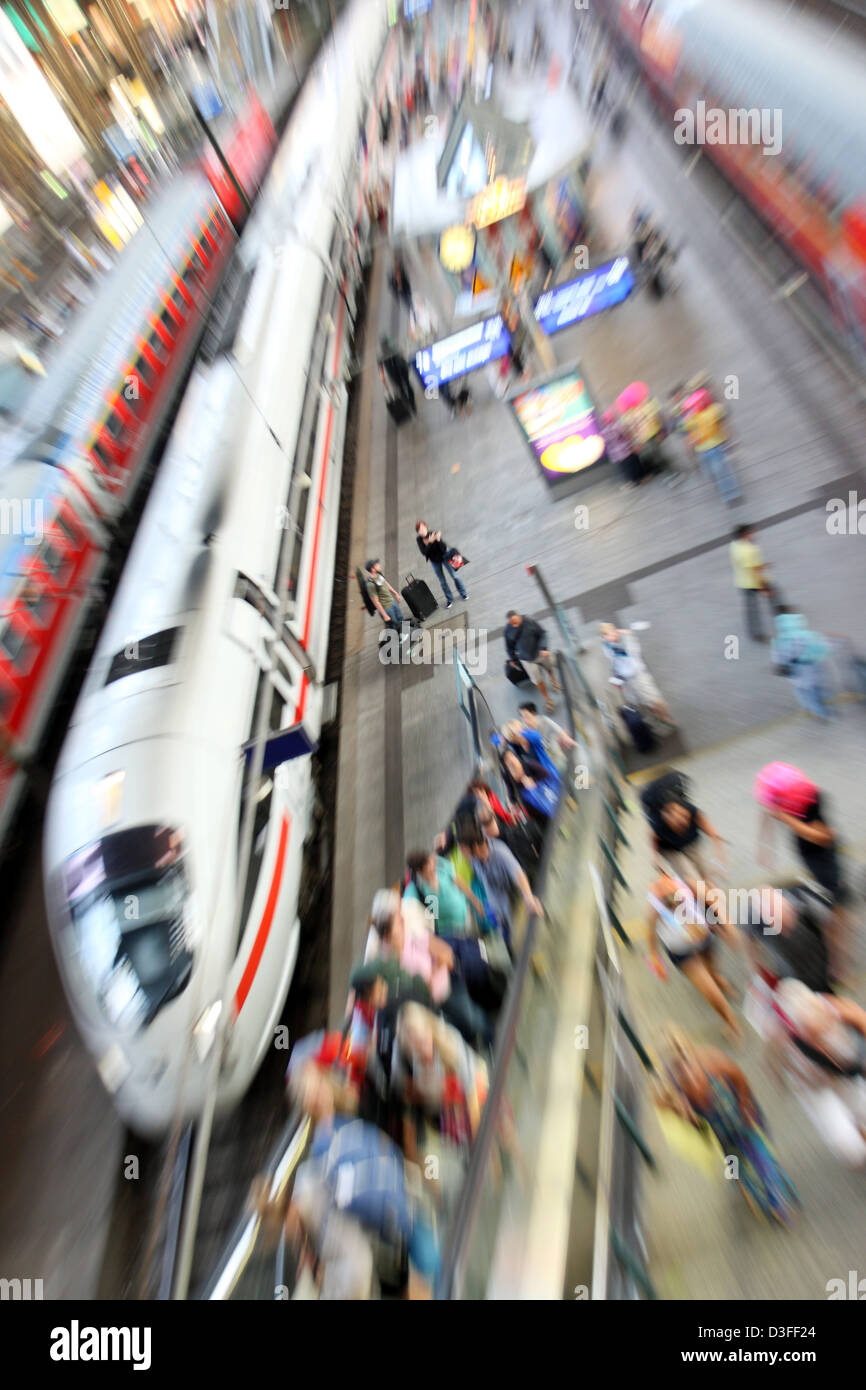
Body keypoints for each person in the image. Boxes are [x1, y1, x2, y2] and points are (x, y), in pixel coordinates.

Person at [655, 1026, 798, 1223]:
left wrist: (745, 1102)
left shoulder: (710, 1060)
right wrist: (678, 1108)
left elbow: (738, 1077)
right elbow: (662, 1106)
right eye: (679, 1069)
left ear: (691, 1053)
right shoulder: (667, 1086)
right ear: (669, 1068)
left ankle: (775, 1192)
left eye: (687, 1062)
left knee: (756, 1146)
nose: (687, 1073)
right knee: (729, 1155)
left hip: (735, 1110)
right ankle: (738, 1177)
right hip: (712, 1127)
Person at [367, 889, 495, 1048]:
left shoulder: (413, 935)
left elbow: (446, 953)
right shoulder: (385, 960)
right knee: (459, 1025)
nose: (401, 920)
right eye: (397, 922)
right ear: (386, 936)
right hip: (431, 1005)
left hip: (448, 989)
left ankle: (490, 1036)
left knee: (470, 1017)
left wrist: (433, 975)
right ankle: (476, 1041)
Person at [769, 979, 866, 1167]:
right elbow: (772, 1055)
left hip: (845, 1074)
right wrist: (777, 1076)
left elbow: (860, 1018)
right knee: (849, 1147)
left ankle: (860, 1130)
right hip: (815, 1086)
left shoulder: (831, 1007)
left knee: (862, 1110)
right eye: (811, 1033)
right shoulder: (783, 1032)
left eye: (821, 1029)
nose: (817, 1036)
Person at [645, 871, 742, 1041]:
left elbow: (714, 902)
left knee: (712, 969)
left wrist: (728, 927)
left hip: (703, 938)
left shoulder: (688, 884)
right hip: (681, 951)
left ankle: (717, 977)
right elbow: (650, 933)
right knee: (710, 991)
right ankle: (731, 1022)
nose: (674, 904)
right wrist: (655, 959)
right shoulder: (656, 906)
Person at [457, 821, 543, 950]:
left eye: (462, 848)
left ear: (474, 845)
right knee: (507, 942)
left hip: (512, 909)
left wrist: (528, 897)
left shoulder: (500, 853)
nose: (460, 851)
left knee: (521, 945)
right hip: (497, 912)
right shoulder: (472, 858)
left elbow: (518, 873)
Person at [640, 769, 727, 880]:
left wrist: (719, 861)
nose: (683, 821)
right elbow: (653, 838)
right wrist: (656, 858)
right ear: (667, 817)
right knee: (691, 878)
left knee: (704, 875)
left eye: (684, 816)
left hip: (691, 843)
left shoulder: (692, 811)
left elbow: (715, 836)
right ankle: (702, 893)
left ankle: (708, 892)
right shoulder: (659, 824)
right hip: (671, 850)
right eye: (678, 821)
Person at [598, 623, 674, 725]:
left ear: (615, 631)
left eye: (610, 633)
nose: (609, 637)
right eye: (606, 635)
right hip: (629, 680)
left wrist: (627, 635)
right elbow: (615, 662)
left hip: (638, 675)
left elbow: (633, 652)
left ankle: (666, 718)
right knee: (646, 703)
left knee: (655, 699)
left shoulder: (623, 642)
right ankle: (661, 719)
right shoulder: (609, 647)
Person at [403, 848, 486, 937]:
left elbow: (461, 884)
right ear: (419, 871)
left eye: (430, 861)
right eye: (428, 866)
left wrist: (476, 903)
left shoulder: (440, 864)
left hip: (466, 915)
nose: (432, 865)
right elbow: (428, 915)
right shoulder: (419, 888)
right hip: (447, 931)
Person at [772, 609, 834, 721]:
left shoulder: (779, 640)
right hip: (809, 670)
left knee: (799, 689)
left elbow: (777, 658)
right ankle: (821, 713)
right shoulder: (807, 636)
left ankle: (806, 707)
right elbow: (823, 648)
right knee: (813, 691)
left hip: (793, 673)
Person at [686, 396, 742, 504]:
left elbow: (722, 426)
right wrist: (692, 445)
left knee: (721, 471)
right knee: (712, 473)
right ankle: (728, 492)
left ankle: (732, 495)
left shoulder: (713, 410)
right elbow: (690, 435)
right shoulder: (691, 418)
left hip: (715, 447)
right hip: (701, 450)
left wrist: (729, 439)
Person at [505, 610, 561, 713]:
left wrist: (543, 648)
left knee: (548, 667)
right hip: (526, 659)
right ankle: (548, 699)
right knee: (537, 680)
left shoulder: (529, 621)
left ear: (519, 617)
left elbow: (542, 633)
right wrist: (513, 659)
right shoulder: (508, 630)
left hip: (540, 654)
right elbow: (509, 646)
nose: (515, 625)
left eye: (516, 622)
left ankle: (553, 680)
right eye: (512, 624)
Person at [729, 524, 772, 641]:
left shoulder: (734, 545)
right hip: (752, 582)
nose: (754, 533)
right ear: (745, 535)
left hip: (742, 580)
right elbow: (753, 571)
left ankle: (779, 610)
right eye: (751, 532)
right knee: (754, 609)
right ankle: (756, 633)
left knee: (753, 606)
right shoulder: (746, 551)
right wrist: (763, 588)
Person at [415, 520, 467, 607]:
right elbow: (424, 552)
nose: (422, 531)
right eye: (419, 530)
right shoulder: (419, 539)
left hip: (444, 557)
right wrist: (430, 542)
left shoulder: (434, 534)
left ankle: (463, 593)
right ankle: (449, 599)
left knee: (455, 576)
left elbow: (443, 548)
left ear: (426, 527)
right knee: (442, 582)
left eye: (423, 528)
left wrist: (438, 540)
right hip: (434, 561)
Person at [517, 700, 576, 771]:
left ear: (533, 713)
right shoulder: (524, 730)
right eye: (521, 716)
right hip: (542, 754)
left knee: (563, 762)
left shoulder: (544, 720)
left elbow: (558, 729)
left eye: (525, 716)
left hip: (552, 745)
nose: (524, 719)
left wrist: (567, 738)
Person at [599, 408, 642, 488]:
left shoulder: (603, 432)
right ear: (611, 418)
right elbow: (627, 436)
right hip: (625, 450)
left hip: (616, 454)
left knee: (625, 468)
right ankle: (638, 480)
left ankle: (631, 482)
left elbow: (605, 443)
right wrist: (633, 445)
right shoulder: (617, 426)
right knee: (633, 465)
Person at [365, 559, 407, 633]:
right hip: (386, 608)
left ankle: (406, 635)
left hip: (392, 601)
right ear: (372, 569)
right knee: (395, 626)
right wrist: (385, 615)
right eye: (377, 565)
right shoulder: (370, 584)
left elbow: (385, 583)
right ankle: (401, 640)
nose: (379, 565)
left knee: (400, 619)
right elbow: (376, 602)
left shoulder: (379, 574)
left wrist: (395, 593)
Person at [378, 336, 416, 414]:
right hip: (401, 371)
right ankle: (412, 404)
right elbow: (403, 355)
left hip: (395, 374)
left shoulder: (381, 356)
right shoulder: (393, 349)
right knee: (407, 386)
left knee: (402, 389)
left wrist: (383, 381)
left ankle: (409, 404)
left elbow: (381, 370)